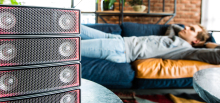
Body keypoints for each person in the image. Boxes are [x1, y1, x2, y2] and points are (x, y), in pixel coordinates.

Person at [81, 24, 220, 64]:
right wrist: (183, 29)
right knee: (76, 26)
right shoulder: (172, 38)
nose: (186, 28)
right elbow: (173, 26)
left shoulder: (187, 50)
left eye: (192, 29)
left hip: (121, 50)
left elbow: (218, 55)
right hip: (118, 40)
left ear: (196, 41)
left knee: (73, 47)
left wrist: (208, 44)